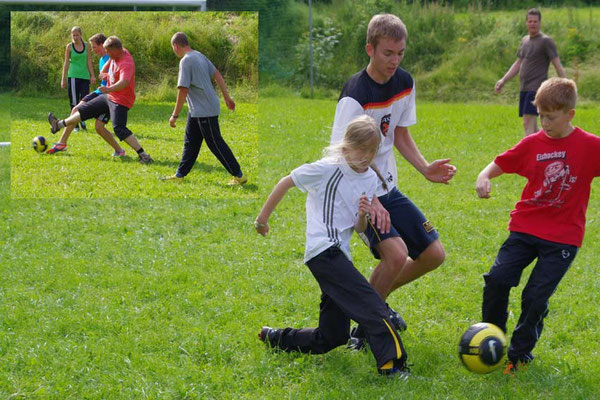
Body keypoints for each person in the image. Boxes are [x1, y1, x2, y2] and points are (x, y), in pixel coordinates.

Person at [330, 13, 456, 349]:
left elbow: (399, 133)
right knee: (396, 255)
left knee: (434, 254)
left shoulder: (404, 82)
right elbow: (344, 156)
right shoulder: (354, 96)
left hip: (389, 188)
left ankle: (373, 306)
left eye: (400, 53)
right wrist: (368, 201)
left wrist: (425, 168)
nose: (395, 61)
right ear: (369, 48)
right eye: (388, 53)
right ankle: (368, 327)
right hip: (359, 194)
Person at [254, 115, 409, 377]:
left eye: (372, 152)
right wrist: (262, 219)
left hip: (340, 256)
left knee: (333, 335)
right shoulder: (327, 168)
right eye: (362, 151)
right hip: (323, 252)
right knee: (371, 303)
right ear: (346, 147)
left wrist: (363, 215)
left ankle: (276, 337)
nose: (367, 158)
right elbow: (286, 182)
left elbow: (358, 229)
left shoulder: (370, 178)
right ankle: (391, 365)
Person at [476, 77, 600, 374]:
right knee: (497, 279)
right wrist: (484, 176)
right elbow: (501, 163)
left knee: (534, 297)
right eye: (541, 114)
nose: (544, 122)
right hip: (524, 229)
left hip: (563, 239)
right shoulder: (533, 144)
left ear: (570, 114)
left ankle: (519, 355)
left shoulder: (590, 146)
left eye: (551, 116)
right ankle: (491, 337)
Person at [47, 36, 152, 164]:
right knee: (83, 110)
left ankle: (144, 156)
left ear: (115, 50)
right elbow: (111, 65)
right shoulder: (119, 52)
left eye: (108, 52)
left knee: (119, 128)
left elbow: (124, 82)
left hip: (121, 100)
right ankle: (58, 125)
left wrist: (108, 89)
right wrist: (105, 69)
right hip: (110, 95)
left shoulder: (127, 63)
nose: (106, 54)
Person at [162, 32, 246, 185]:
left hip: (204, 109)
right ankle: (180, 174)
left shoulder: (186, 61)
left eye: (173, 48)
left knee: (215, 143)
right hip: (197, 109)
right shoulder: (199, 55)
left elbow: (183, 90)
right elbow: (217, 74)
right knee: (191, 142)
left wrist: (174, 115)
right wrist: (227, 97)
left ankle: (239, 175)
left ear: (175, 46)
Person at [48, 33, 126, 157]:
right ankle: (119, 151)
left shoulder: (111, 58)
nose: (93, 49)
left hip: (108, 96)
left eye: (94, 47)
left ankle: (62, 141)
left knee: (89, 120)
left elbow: (119, 78)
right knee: (90, 120)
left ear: (102, 45)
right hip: (100, 93)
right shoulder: (102, 59)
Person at [494, 8, 566, 136]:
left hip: (536, 89)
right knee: (532, 127)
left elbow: (558, 65)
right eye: (530, 21)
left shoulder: (545, 41)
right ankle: (551, 144)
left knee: (528, 122)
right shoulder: (525, 40)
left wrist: (566, 86)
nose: (533, 24)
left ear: (540, 23)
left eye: (535, 21)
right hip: (524, 89)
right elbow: (518, 64)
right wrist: (503, 80)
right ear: (526, 23)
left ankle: (529, 154)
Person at [61, 26, 95, 132]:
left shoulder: (87, 46)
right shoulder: (69, 47)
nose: (75, 37)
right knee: (74, 101)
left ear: (81, 35)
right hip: (73, 76)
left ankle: (82, 119)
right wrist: (63, 79)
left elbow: (89, 61)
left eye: (77, 35)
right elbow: (66, 63)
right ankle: (74, 124)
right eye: (73, 35)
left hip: (84, 76)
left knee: (84, 100)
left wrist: (92, 75)